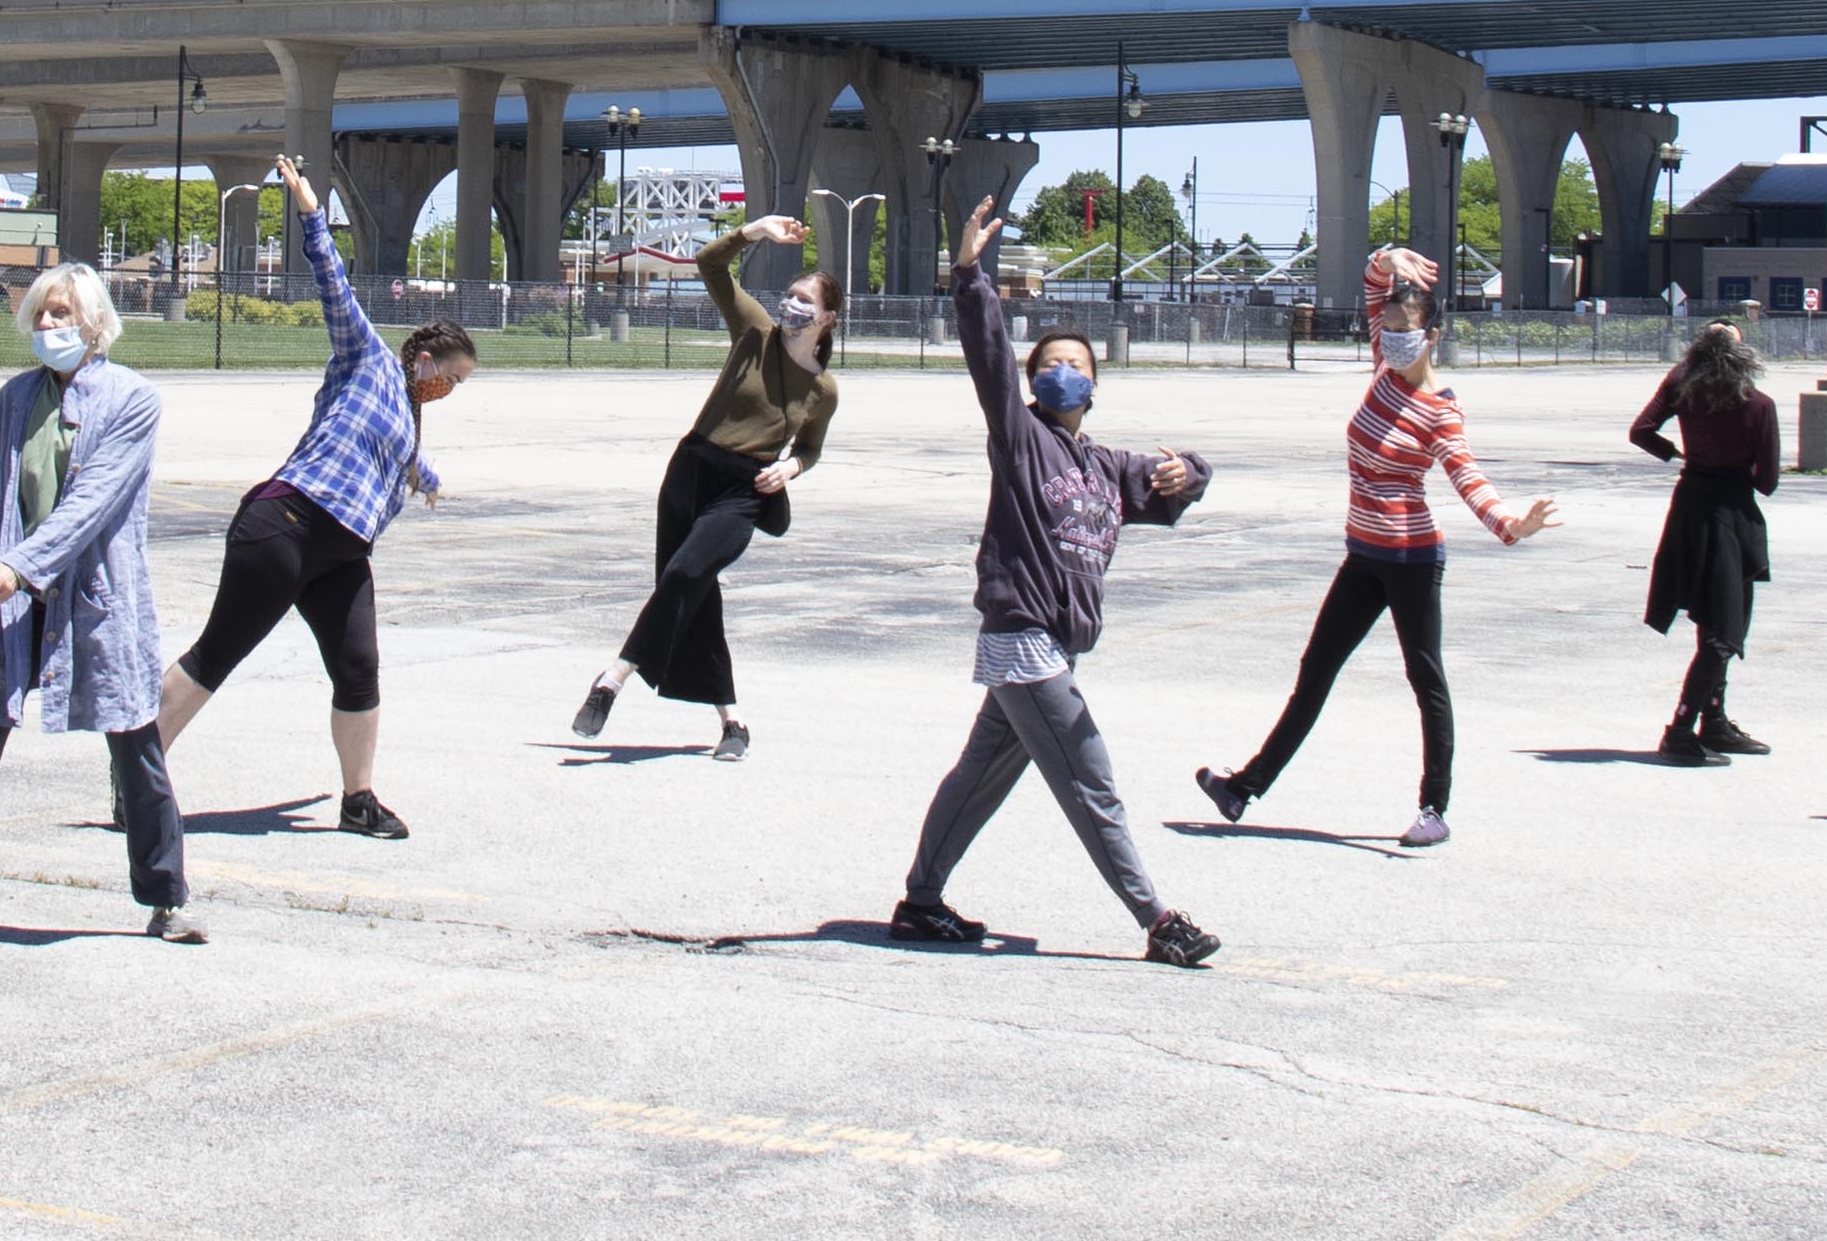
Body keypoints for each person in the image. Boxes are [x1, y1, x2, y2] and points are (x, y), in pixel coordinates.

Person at [892, 199, 1221, 969]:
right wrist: (971, 277)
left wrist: (1190, 472)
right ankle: (1158, 918)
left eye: (1076, 364)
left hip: (1053, 652)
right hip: (1023, 639)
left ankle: (920, 901)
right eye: (1049, 365)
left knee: (977, 780)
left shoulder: (1106, 468)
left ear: (1096, 384)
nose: (1061, 371)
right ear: (1035, 383)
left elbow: (1175, 483)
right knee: (1090, 778)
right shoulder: (1022, 437)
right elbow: (988, 358)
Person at [1194, 247, 1555, 846]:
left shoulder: (1440, 412)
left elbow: (1467, 476)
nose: (1391, 342)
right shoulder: (1384, 373)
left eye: (1404, 333)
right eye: (1386, 332)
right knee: (1316, 672)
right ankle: (1243, 789)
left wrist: (1510, 523)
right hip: (1363, 554)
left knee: (1425, 679)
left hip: (1412, 558)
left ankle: (1433, 810)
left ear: (1432, 336)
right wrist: (1385, 259)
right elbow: (1370, 285)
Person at [0, 264, 199, 959]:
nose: (49, 326)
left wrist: (24, 567)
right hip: (9, 597)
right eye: (41, 314)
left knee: (136, 744)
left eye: (62, 314)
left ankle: (166, 897)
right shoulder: (16, 398)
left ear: (95, 324)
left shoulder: (134, 399)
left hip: (93, 599)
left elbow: (95, 505)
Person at [160, 157, 474, 839]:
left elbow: (406, 461)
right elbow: (334, 285)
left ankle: (358, 799)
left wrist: (430, 479)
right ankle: (139, 776)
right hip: (286, 524)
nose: (453, 389)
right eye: (453, 377)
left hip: (340, 555)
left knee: (359, 668)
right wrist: (308, 211)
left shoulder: (408, 417)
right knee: (218, 654)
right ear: (424, 361)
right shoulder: (366, 359)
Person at [570, 213, 840, 761]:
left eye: (805, 301)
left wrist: (791, 469)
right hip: (692, 467)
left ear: (828, 318)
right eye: (790, 295)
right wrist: (755, 231)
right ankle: (733, 723)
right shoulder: (755, 333)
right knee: (695, 594)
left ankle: (611, 680)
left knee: (686, 573)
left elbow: (809, 449)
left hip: (744, 490)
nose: (792, 306)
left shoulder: (824, 389)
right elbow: (708, 263)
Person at [1632, 320, 1781, 767]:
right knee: (1724, 633)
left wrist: (1680, 454)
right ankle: (1680, 730)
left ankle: (1713, 721)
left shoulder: (1682, 386)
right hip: (1732, 515)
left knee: (1712, 621)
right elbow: (1768, 482)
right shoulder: (1758, 404)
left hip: (1690, 506)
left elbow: (1641, 431)